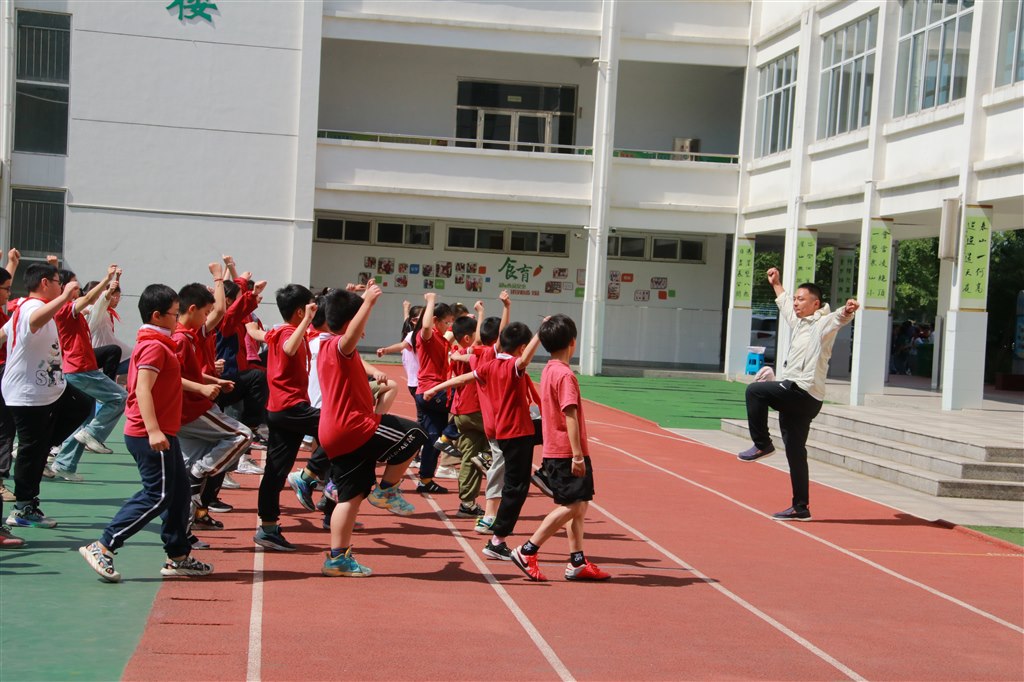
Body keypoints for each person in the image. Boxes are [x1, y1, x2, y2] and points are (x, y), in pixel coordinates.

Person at [79, 284, 213, 582]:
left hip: (163, 431)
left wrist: (201, 386)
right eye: (174, 315)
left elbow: (171, 379)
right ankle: (104, 544)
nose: (178, 320)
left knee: (178, 496)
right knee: (159, 495)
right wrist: (153, 430)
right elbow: (142, 389)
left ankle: (178, 556)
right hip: (148, 433)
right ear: (157, 315)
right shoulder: (154, 345)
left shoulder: (160, 343)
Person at [318, 285, 426, 577]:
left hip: (335, 430)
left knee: (350, 497)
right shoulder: (339, 346)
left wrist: (355, 299)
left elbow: (341, 321)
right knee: (415, 433)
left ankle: (338, 559)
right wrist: (367, 303)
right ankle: (388, 491)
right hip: (353, 426)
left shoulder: (325, 344)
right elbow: (349, 335)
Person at [738, 267, 859, 521]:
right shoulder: (799, 321)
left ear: (816, 303)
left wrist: (847, 310)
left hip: (801, 391)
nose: (795, 303)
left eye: (801, 299)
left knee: (755, 391)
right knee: (795, 452)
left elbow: (839, 318)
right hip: (804, 400)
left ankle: (762, 444)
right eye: (796, 299)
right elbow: (783, 303)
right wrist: (777, 284)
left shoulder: (822, 322)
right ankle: (800, 507)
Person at [509, 314, 610, 582]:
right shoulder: (565, 375)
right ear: (573, 342)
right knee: (572, 507)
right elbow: (570, 415)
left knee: (580, 504)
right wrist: (577, 455)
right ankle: (527, 549)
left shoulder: (548, 369)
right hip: (567, 451)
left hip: (555, 449)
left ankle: (577, 561)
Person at [2, 261, 92, 529]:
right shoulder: (31, 308)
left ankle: (42, 449)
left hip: (49, 388)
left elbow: (5, 333)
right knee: (32, 451)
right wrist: (65, 298)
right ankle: (23, 508)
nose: (61, 287)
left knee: (82, 404)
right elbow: (33, 321)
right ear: (45, 284)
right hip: (29, 393)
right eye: (57, 282)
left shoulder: (25, 308)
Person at [254, 284, 330, 552]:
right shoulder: (287, 333)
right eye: (309, 306)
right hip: (290, 407)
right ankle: (309, 474)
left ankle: (269, 528)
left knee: (275, 471)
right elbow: (288, 348)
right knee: (340, 428)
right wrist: (308, 319)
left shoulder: (277, 330)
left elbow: (258, 332)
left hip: (280, 409)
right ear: (300, 311)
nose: (314, 310)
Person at [173, 279, 252, 536]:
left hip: (192, 408)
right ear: (193, 309)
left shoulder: (191, 335)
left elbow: (190, 373)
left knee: (187, 475)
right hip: (192, 409)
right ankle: (201, 474)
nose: (210, 318)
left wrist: (213, 380)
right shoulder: (181, 339)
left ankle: (185, 533)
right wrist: (220, 275)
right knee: (242, 435)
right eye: (205, 313)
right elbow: (171, 378)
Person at [51, 265, 129, 479]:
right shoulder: (66, 310)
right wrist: (107, 280)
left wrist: (112, 281)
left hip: (80, 368)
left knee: (87, 419)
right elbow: (93, 299)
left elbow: (95, 301)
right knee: (119, 397)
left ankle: (64, 464)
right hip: (81, 368)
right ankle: (92, 434)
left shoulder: (77, 312)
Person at [410, 293, 455, 493]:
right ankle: (450, 436)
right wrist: (430, 301)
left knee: (432, 439)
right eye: (446, 322)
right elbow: (427, 326)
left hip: (432, 393)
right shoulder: (426, 336)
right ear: (436, 320)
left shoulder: (443, 340)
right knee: (469, 408)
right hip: (431, 391)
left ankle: (426, 481)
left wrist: (476, 317)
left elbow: (460, 332)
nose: (449, 326)